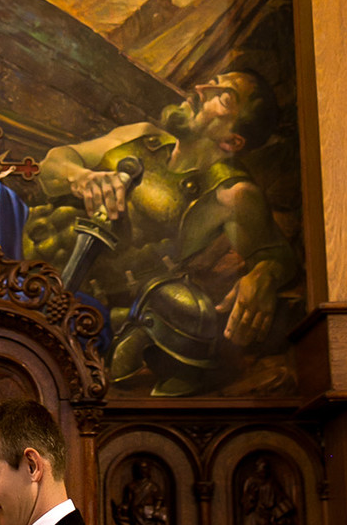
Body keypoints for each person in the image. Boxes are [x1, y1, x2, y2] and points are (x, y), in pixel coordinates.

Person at [37, 71, 299, 394]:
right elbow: (52, 164)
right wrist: (80, 177)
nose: (201, 89)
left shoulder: (232, 194)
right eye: (212, 81)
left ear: (232, 141)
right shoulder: (140, 137)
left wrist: (265, 274)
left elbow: (275, 255)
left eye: (224, 96)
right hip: (26, 256)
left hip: (81, 313)